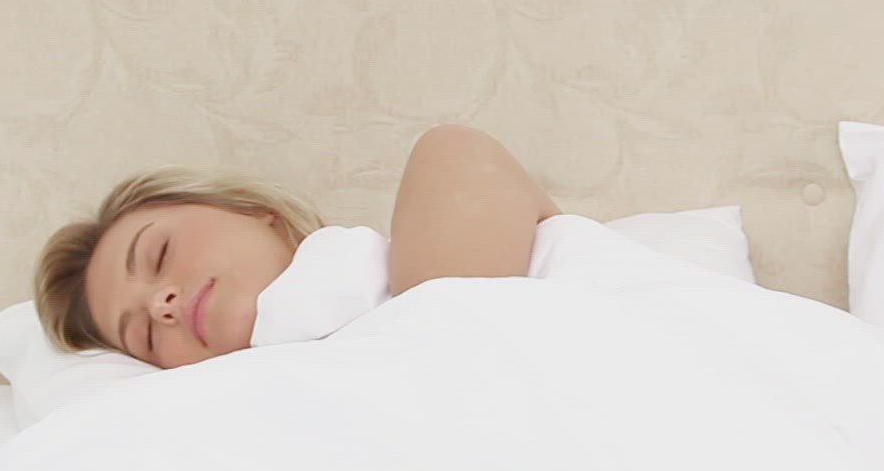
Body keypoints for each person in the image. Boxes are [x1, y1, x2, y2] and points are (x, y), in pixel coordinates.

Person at [34, 124, 561, 369]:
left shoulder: (451, 186)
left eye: (159, 254)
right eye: (145, 336)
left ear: (253, 213)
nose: (159, 304)